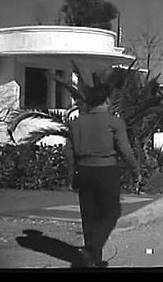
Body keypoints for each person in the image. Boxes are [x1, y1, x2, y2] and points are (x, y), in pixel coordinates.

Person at [66, 93, 141, 268]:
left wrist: (71, 175)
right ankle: (92, 250)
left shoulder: (76, 123)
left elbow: (69, 152)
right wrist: (135, 170)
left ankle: (93, 260)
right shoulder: (114, 122)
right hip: (106, 170)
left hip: (83, 170)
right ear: (106, 100)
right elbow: (124, 148)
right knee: (112, 212)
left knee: (89, 215)